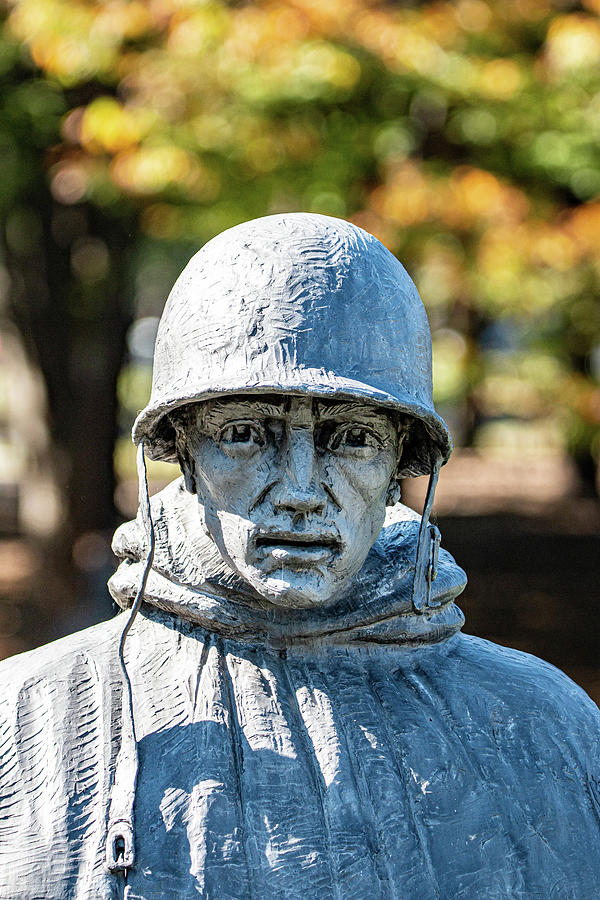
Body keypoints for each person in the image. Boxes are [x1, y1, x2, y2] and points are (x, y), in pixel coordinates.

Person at [1, 213, 599, 900]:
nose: (300, 492)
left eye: (350, 440)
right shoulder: (29, 721)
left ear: (403, 460)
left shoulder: (545, 728)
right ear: (183, 454)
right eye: (247, 434)